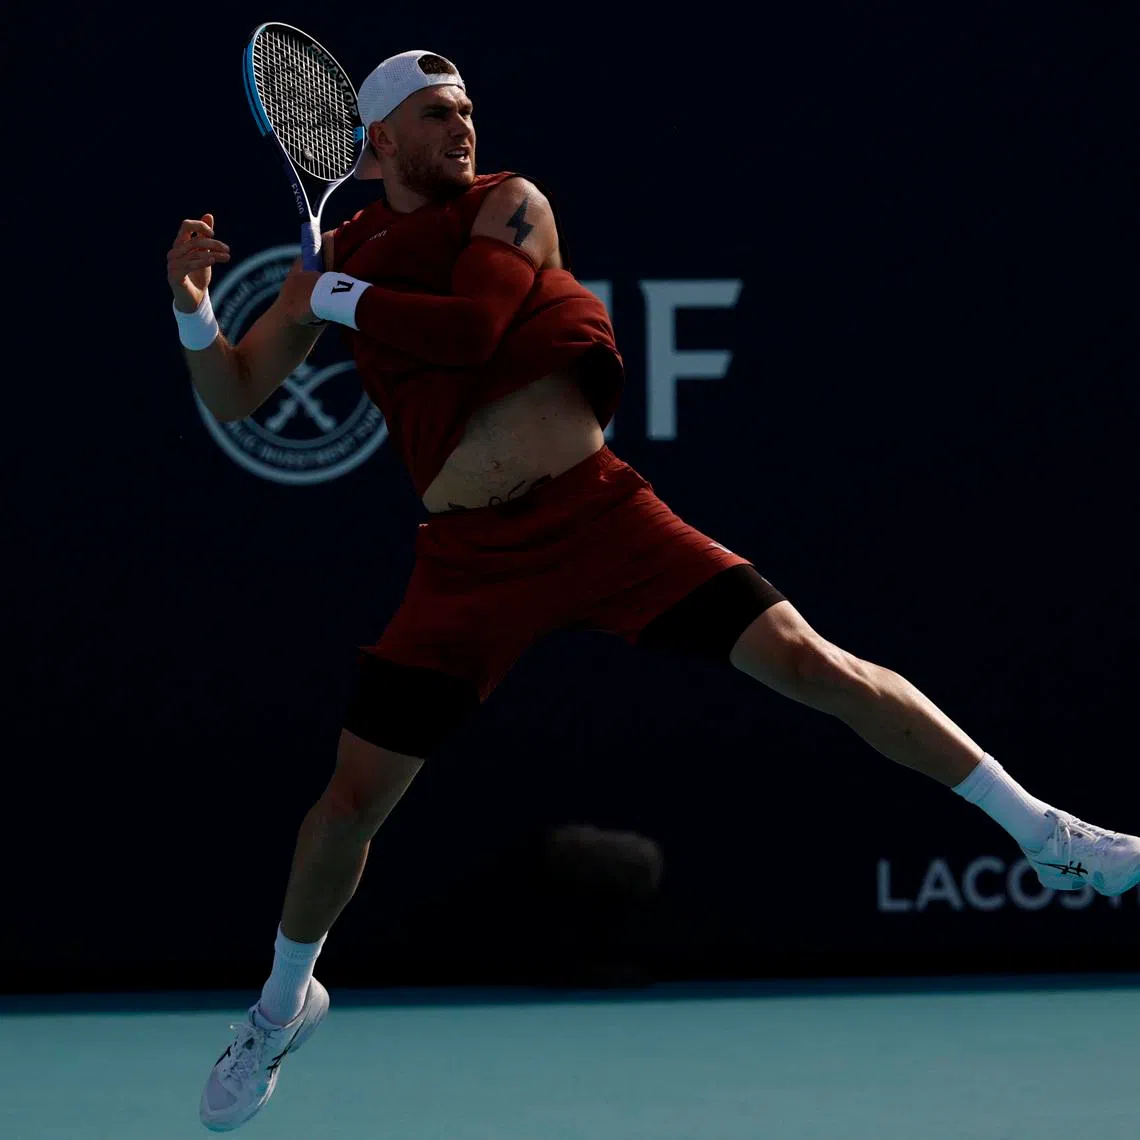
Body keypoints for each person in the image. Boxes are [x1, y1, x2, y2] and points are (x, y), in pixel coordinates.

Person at [168, 49, 1140, 1133]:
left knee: (811, 662)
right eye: (438, 115)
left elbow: (474, 330)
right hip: (469, 560)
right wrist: (196, 310)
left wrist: (336, 295)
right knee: (348, 807)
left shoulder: (509, 204)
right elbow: (239, 393)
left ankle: (1048, 834)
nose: (464, 127)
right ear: (378, 143)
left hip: (598, 518)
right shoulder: (343, 252)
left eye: (468, 109)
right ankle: (280, 1007)